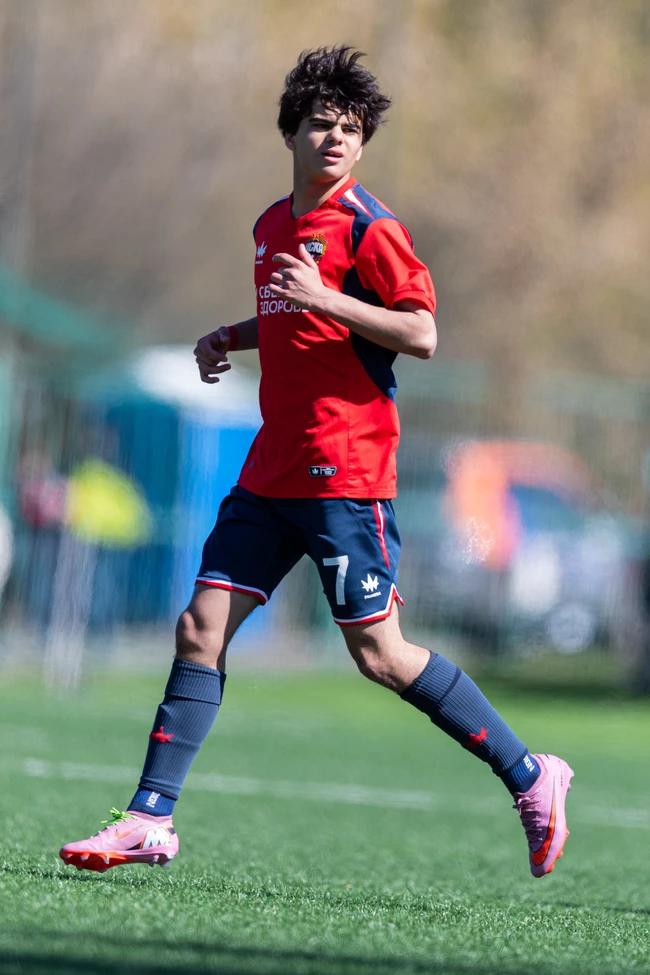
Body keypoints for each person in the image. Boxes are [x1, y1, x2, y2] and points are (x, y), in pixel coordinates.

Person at [60, 47, 572, 878]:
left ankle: (529, 774)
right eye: (323, 124)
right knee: (199, 627)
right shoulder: (272, 225)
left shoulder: (372, 227)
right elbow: (292, 318)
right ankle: (149, 818)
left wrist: (327, 297)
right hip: (273, 467)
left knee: (380, 655)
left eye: (352, 129)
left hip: (347, 472)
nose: (337, 139)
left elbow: (421, 332)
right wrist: (231, 335)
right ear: (291, 132)